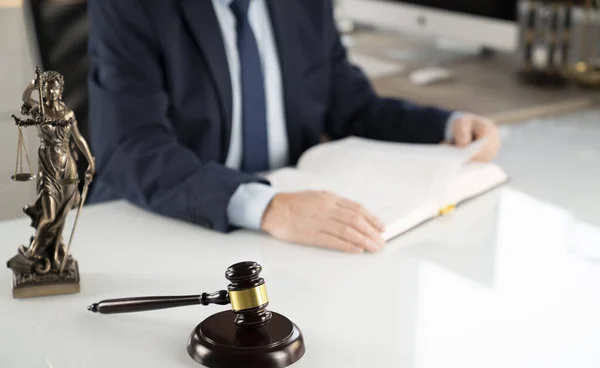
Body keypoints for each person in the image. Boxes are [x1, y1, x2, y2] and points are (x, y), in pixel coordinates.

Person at [87, 0, 500, 254]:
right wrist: (268, 207)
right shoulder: (132, 5)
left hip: (293, 235)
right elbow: (128, 148)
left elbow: (348, 103)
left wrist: (447, 126)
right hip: (172, 223)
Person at [13, 70, 95, 272]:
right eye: (48, 90)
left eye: (55, 90)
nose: (52, 93)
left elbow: (78, 139)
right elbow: (25, 98)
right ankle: (33, 252)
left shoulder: (67, 114)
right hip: (48, 168)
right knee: (49, 216)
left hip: (67, 168)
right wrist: (32, 85)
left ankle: (55, 252)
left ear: (60, 91)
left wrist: (90, 161)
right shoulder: (39, 111)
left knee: (63, 214)